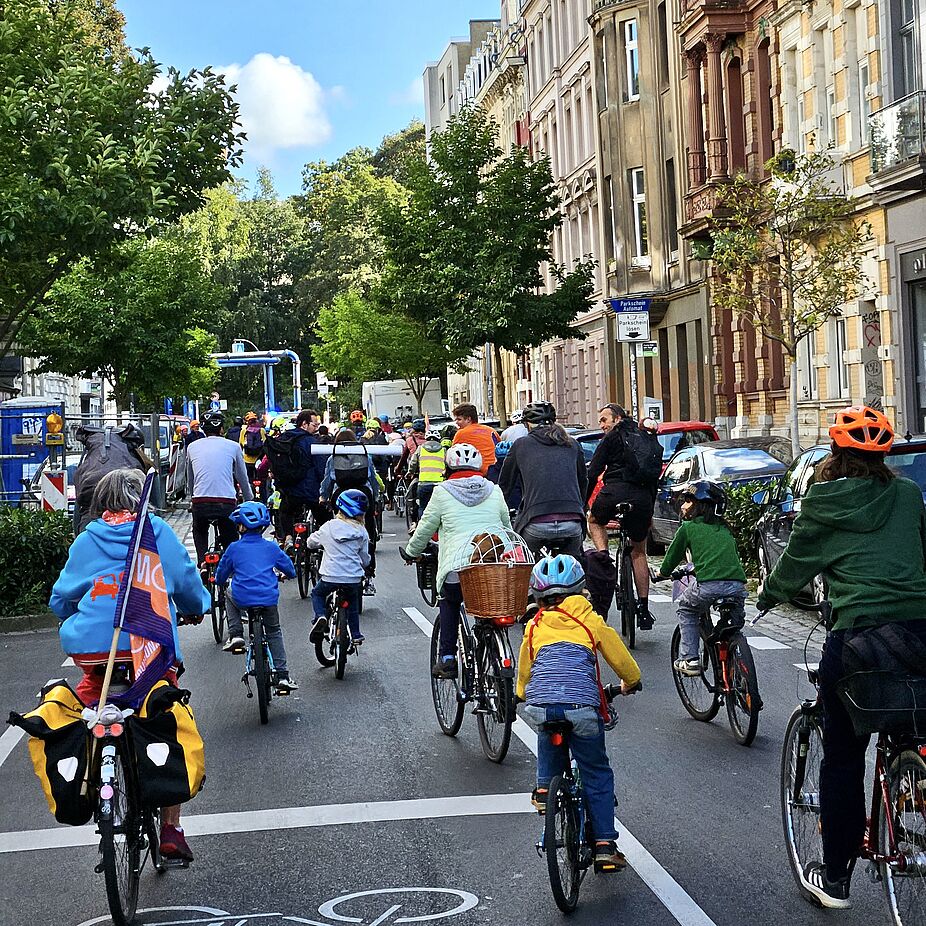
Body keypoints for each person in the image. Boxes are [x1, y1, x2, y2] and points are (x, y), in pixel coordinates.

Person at [756, 405, 926, 909]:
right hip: (920, 632)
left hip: (861, 640)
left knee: (845, 755)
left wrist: (766, 597)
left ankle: (835, 878)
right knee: (913, 717)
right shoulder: (908, 494)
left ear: (834, 454)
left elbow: (793, 568)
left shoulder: (821, 506)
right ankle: (910, 773)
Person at [49, 468, 210, 863]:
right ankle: (171, 827)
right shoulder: (154, 531)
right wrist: (197, 607)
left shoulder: (87, 539)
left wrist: (76, 610)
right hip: (147, 647)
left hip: (95, 652)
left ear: (101, 502)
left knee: (86, 711)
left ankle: (93, 787)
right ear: (143, 498)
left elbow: (61, 597)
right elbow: (185, 582)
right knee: (165, 714)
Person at [518, 554, 641, 872]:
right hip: (582, 708)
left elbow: (525, 671)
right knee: (596, 771)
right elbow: (620, 657)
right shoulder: (590, 621)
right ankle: (604, 845)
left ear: (539, 598)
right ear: (580, 591)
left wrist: (520, 693)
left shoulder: (534, 627)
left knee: (548, 727)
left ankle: (545, 787)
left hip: (541, 706)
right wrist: (632, 681)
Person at [404, 444, 512, 678]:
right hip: (492, 565)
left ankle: (448, 659)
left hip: (458, 568)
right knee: (487, 604)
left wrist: (412, 552)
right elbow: (507, 529)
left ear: (448, 468)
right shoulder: (494, 490)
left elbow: (424, 530)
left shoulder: (442, 492)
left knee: (450, 601)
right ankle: (494, 649)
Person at [653, 480, 747, 676]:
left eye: (688, 501)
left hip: (708, 587)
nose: (683, 506)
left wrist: (662, 574)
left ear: (700, 506)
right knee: (732, 621)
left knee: (687, 608)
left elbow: (672, 557)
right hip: (737, 586)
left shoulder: (688, 528)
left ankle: (690, 659)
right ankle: (734, 649)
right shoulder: (725, 528)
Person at [585, 404, 661, 631]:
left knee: (594, 521)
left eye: (604, 420)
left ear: (617, 419)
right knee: (638, 551)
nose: (602, 425)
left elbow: (592, 473)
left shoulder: (612, 438)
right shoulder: (645, 437)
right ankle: (644, 608)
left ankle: (603, 558)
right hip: (642, 498)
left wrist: (583, 500)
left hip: (613, 493)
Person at [214, 501, 299, 692]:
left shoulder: (234, 548)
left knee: (227, 592)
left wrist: (221, 581)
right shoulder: (271, 548)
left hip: (242, 599)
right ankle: (283, 675)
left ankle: (236, 634)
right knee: (274, 632)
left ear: (241, 526)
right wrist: (283, 574)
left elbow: (220, 576)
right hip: (268, 600)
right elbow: (291, 571)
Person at [499, 401, 587, 561]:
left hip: (535, 522)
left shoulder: (520, 445)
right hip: (572, 522)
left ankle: (529, 582)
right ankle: (579, 583)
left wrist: (500, 510)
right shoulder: (572, 444)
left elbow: (505, 486)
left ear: (526, 425)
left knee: (522, 564)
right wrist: (579, 507)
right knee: (574, 564)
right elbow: (583, 481)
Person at [185, 411, 252, 569]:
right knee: (231, 537)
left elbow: (190, 478)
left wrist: (191, 499)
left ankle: (202, 563)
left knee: (199, 531)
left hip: (200, 502)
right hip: (226, 502)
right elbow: (243, 478)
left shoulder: (192, 447)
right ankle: (230, 569)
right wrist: (249, 499)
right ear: (222, 429)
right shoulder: (233, 446)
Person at [308, 489, 372, 647]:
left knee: (317, 593)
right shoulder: (361, 531)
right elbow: (365, 558)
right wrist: (365, 564)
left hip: (330, 576)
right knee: (352, 603)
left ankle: (320, 616)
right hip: (352, 578)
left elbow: (311, 542)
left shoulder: (329, 527)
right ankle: (355, 634)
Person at [321, 429, 381, 593]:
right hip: (363, 495)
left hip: (340, 496)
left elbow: (328, 481)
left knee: (338, 528)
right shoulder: (364, 455)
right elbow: (373, 479)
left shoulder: (333, 457)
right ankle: (368, 576)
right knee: (368, 534)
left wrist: (323, 496)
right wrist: (375, 498)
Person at [269, 409, 329, 553]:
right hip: (310, 491)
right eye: (314, 425)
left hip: (289, 489)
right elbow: (321, 469)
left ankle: (288, 537)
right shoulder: (312, 443)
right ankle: (324, 544)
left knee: (286, 511)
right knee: (324, 517)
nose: (316, 428)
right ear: (304, 424)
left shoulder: (284, 439)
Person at [408, 427, 446, 526]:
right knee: (441, 508)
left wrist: (410, 472)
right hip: (440, 484)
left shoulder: (420, 448)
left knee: (423, 507)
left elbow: (413, 462)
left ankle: (422, 527)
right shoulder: (443, 450)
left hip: (424, 483)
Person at [452, 403, 500, 480]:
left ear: (468, 419)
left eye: (459, 419)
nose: (456, 422)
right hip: (495, 472)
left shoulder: (461, 433)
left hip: (476, 473)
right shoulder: (491, 431)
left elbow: (454, 455)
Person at [239, 412, 266, 483]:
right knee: (262, 480)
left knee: (249, 480)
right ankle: (263, 493)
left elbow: (241, 443)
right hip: (259, 460)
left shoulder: (244, 431)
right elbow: (265, 444)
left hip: (247, 460)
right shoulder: (261, 430)